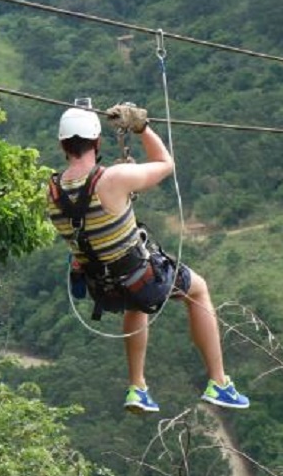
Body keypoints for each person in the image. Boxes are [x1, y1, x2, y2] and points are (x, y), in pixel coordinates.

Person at [47, 103, 249, 414]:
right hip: (143, 280)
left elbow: (91, 210)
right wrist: (141, 128)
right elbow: (165, 164)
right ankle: (219, 382)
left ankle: (137, 387)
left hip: (103, 289)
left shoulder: (54, 192)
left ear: (63, 145)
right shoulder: (114, 179)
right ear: (97, 141)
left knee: (135, 303)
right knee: (199, 290)